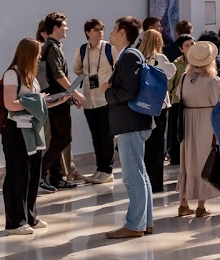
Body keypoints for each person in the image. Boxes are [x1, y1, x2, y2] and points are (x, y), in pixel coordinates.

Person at [101, 17, 155, 240]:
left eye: (113, 30)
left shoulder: (129, 56)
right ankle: (145, 221)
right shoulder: (131, 55)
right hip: (134, 122)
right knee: (140, 175)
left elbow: (129, 92)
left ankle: (134, 224)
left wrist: (107, 91)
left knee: (133, 177)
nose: (111, 34)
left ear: (122, 32)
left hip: (130, 123)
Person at [0, 38, 48, 237]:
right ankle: (14, 222)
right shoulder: (12, 74)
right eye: (37, 52)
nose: (40, 57)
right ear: (28, 53)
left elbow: (34, 103)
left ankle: (30, 217)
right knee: (17, 175)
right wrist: (36, 101)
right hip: (16, 131)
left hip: (33, 130)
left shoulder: (32, 77)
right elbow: (10, 103)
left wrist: (52, 101)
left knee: (33, 174)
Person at [177, 41, 220, 220]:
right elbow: (219, 104)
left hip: (187, 120)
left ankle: (183, 203)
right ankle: (201, 206)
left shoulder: (184, 77)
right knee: (204, 159)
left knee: (187, 160)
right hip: (207, 120)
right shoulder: (213, 80)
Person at [38, 13, 84, 190]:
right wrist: (75, 94)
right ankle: (40, 172)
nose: (67, 28)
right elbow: (58, 75)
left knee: (58, 137)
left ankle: (56, 178)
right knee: (65, 137)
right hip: (58, 99)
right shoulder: (53, 48)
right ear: (55, 28)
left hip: (56, 99)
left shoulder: (51, 46)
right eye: (64, 25)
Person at [136, 29, 177, 206]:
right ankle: (156, 182)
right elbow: (172, 72)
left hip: (143, 105)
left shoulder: (139, 57)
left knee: (146, 143)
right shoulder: (160, 58)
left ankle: (145, 180)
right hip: (160, 105)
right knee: (158, 144)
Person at [72, 19, 116, 184]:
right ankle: (100, 169)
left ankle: (108, 170)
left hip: (105, 99)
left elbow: (117, 68)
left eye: (102, 29)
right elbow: (77, 69)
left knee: (107, 135)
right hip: (89, 99)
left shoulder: (109, 48)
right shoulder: (82, 50)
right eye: (96, 29)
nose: (100, 32)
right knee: (96, 136)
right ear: (88, 32)